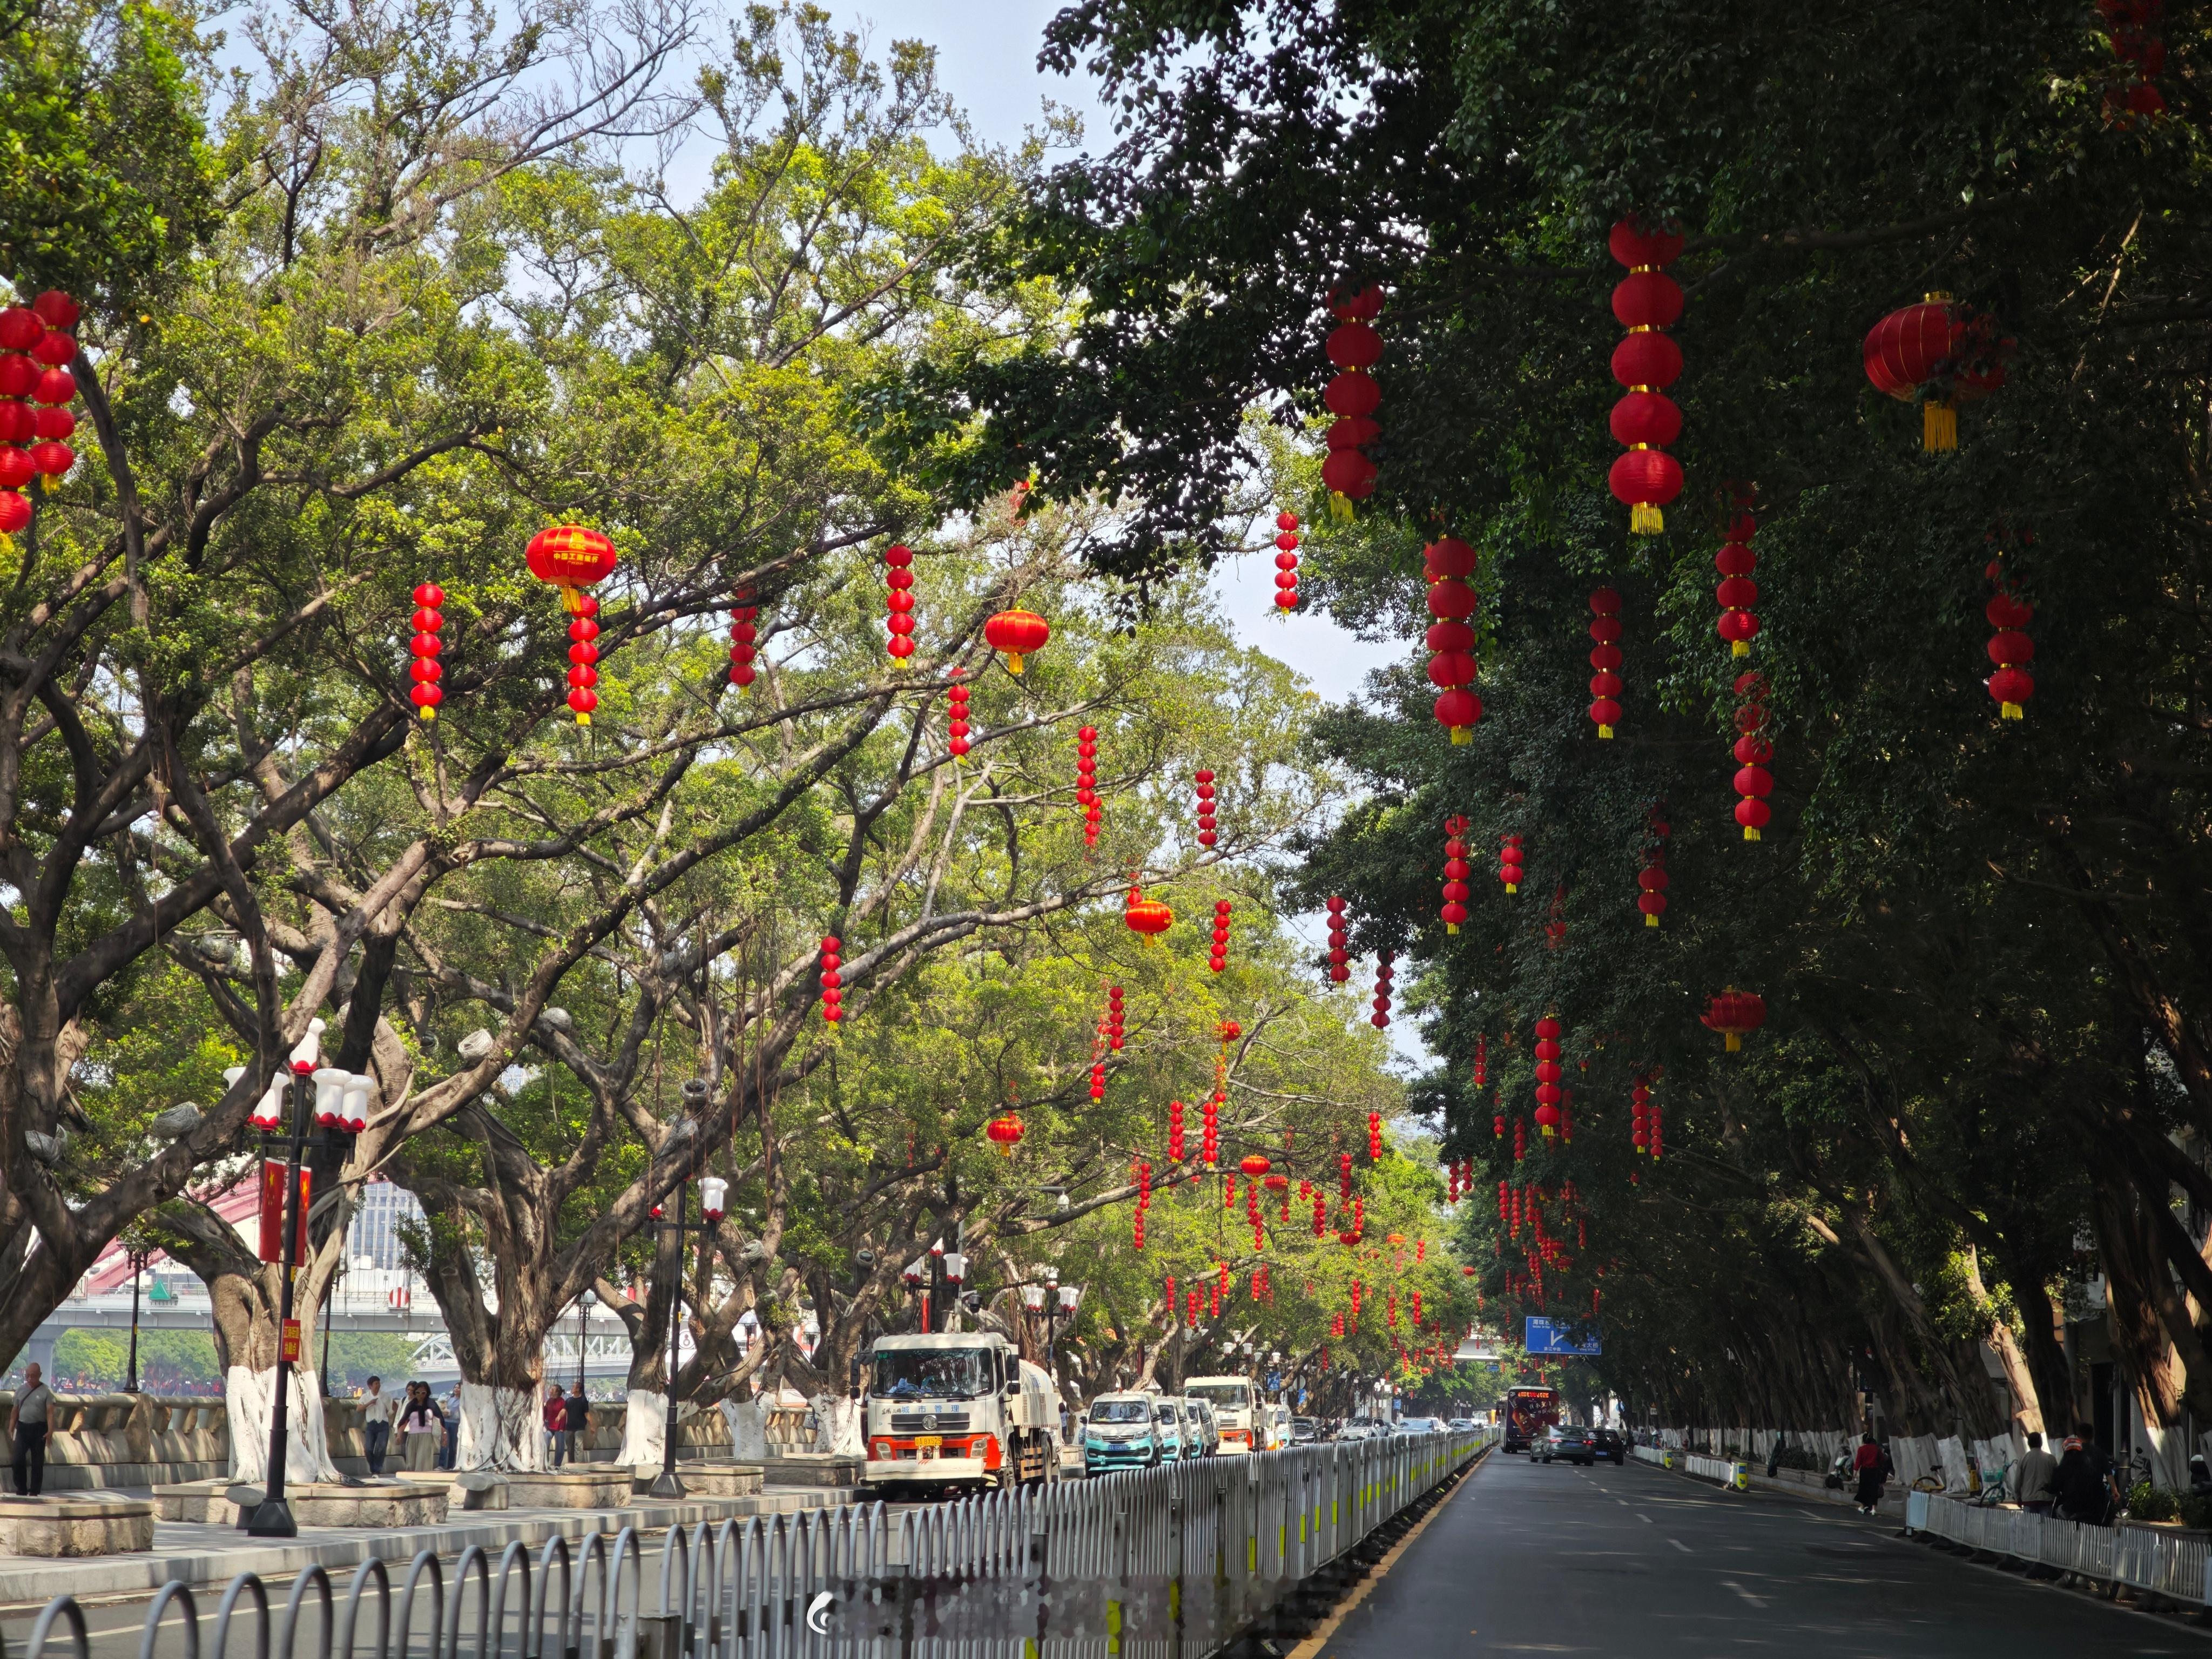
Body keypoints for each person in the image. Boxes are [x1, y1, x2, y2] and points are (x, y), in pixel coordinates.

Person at [2052, 1423, 2120, 1525]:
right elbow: (2109, 1475)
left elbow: (2061, 1473)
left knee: (2060, 1513)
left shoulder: (2071, 1453)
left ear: (2078, 1435)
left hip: (2073, 1502)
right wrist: (2115, 1491)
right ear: (2092, 1435)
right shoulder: (2100, 1453)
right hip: (2096, 1501)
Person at [8, 1363, 52, 1497]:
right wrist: (11, 1427)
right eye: (28, 1376)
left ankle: (34, 1490)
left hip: (39, 1428)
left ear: (40, 1376)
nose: (30, 1378)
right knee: (17, 1459)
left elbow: (50, 1412)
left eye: (33, 1376)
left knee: (37, 1462)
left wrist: (50, 1431)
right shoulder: (21, 1390)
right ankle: (21, 1487)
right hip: (22, 1428)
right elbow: (15, 1411)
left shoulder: (46, 1391)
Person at [400, 1381, 443, 1472]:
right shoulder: (411, 1405)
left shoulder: (431, 1403)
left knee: (423, 1461)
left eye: (423, 1393)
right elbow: (404, 1421)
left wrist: (444, 1435)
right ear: (415, 1393)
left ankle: (423, 1479)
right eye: (418, 1393)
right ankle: (410, 1480)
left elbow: (440, 1419)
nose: (420, 1395)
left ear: (427, 1393)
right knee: (411, 1462)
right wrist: (399, 1435)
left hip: (426, 1435)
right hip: (412, 1435)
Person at [2014, 1429, 2058, 1516]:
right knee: (2046, 1526)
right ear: (2041, 1443)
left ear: (2029, 1443)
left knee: (2031, 1527)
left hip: (2028, 1500)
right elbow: (2057, 1479)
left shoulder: (2023, 1459)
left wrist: (2018, 1497)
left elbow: (2018, 1481)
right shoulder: (2050, 1459)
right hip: (2046, 1499)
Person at [360, 1376, 392, 1475]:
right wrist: (370, 1403)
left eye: (379, 1383)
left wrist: (390, 1417)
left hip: (383, 1424)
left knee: (381, 1448)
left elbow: (392, 1408)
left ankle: (377, 1469)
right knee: (368, 1448)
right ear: (370, 1386)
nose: (378, 1385)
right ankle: (372, 1466)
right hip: (371, 1424)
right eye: (376, 1384)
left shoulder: (385, 1396)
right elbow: (359, 1409)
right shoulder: (366, 1397)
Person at [1851, 1431, 1886, 1514]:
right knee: (1874, 1489)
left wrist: (1855, 1473)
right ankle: (1874, 1509)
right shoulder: (1876, 1449)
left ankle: (1862, 1506)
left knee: (1863, 1488)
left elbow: (1858, 1462)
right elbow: (1882, 1460)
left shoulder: (1861, 1449)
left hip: (1865, 1471)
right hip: (1875, 1471)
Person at [563, 1382, 589, 1469]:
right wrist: (559, 1417)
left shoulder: (583, 1401)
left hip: (580, 1427)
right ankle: (571, 1463)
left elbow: (587, 1414)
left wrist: (593, 1425)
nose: (572, 1388)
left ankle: (579, 1465)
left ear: (578, 1389)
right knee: (569, 1445)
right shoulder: (569, 1401)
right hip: (570, 1427)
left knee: (578, 1445)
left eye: (574, 1387)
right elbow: (564, 1411)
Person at [544, 1384, 567, 1467]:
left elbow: (564, 1412)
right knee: (545, 1443)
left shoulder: (562, 1402)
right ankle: (545, 1462)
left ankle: (557, 1465)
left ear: (557, 1392)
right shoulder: (549, 1401)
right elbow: (545, 1412)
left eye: (553, 1389)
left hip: (559, 1427)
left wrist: (561, 1425)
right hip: (549, 1427)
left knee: (560, 1447)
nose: (550, 1390)